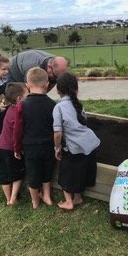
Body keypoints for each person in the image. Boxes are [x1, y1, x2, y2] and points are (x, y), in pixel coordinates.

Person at [53, 71, 100, 211]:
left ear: (58, 90)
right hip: (89, 144)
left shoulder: (59, 107)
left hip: (73, 147)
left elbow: (58, 133)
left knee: (66, 174)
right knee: (80, 171)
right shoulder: (79, 105)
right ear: (76, 89)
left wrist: (57, 148)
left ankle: (68, 202)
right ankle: (78, 197)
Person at [13, 67, 56, 209]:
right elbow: (55, 128)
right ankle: (47, 196)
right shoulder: (52, 105)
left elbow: (17, 130)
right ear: (47, 85)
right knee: (47, 171)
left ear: (27, 85)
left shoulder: (21, 105)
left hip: (30, 147)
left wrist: (17, 148)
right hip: (48, 145)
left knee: (33, 173)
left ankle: (35, 201)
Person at [0, 82, 29, 206]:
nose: (28, 96)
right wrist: (18, 149)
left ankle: (8, 198)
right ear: (19, 99)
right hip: (11, 149)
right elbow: (17, 133)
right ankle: (13, 198)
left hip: (0, 147)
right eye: (27, 94)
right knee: (17, 174)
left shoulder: (9, 109)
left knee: (3, 174)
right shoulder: (19, 112)